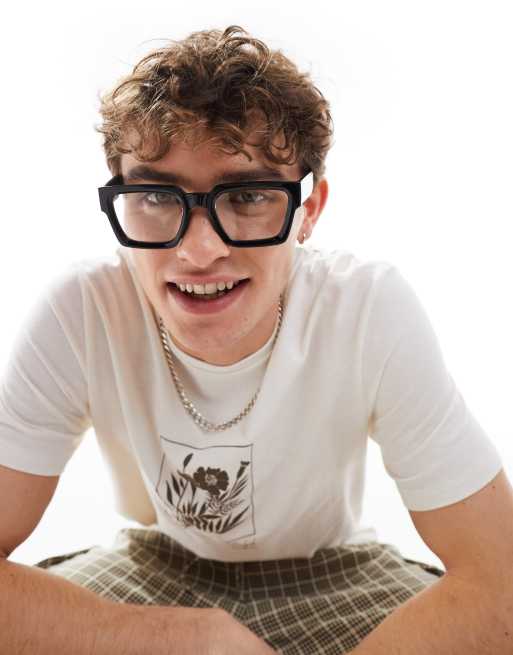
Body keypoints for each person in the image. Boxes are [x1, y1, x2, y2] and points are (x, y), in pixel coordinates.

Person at [0, 24, 511, 655]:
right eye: (156, 195)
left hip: (337, 575)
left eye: (246, 196)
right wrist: (181, 640)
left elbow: (500, 585)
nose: (199, 250)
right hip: (152, 566)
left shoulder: (367, 308)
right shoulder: (82, 309)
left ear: (308, 211)